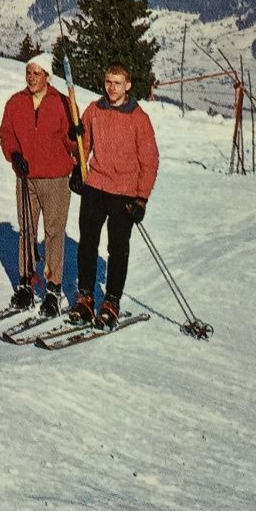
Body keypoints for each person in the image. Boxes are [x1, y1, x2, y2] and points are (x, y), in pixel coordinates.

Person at [69, 63, 159, 329]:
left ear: (128, 85)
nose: (111, 88)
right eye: (108, 82)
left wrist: (141, 198)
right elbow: (83, 145)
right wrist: (77, 166)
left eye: (117, 83)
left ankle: (111, 303)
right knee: (87, 243)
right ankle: (85, 298)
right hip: (96, 185)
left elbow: (150, 160)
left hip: (125, 192)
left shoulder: (138, 118)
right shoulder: (94, 110)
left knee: (117, 250)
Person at [0, 59, 77, 317]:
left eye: (37, 73)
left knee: (54, 232)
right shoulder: (15, 102)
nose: (31, 78)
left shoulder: (63, 104)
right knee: (27, 232)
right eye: (28, 73)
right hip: (26, 177)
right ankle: (26, 285)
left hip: (55, 178)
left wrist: (78, 141)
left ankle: (53, 290)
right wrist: (14, 154)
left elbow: (74, 142)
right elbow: (6, 133)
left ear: (48, 76)